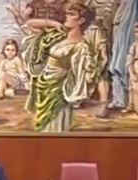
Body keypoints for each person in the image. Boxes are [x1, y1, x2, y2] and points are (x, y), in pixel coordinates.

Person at [22, 3, 99, 133]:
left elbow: (81, 73)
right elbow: (30, 23)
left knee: (54, 124)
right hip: (45, 83)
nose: (66, 16)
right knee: (43, 124)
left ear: (81, 21)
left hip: (58, 87)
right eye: (66, 13)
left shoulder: (80, 46)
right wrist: (53, 23)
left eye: (71, 14)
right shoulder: (59, 35)